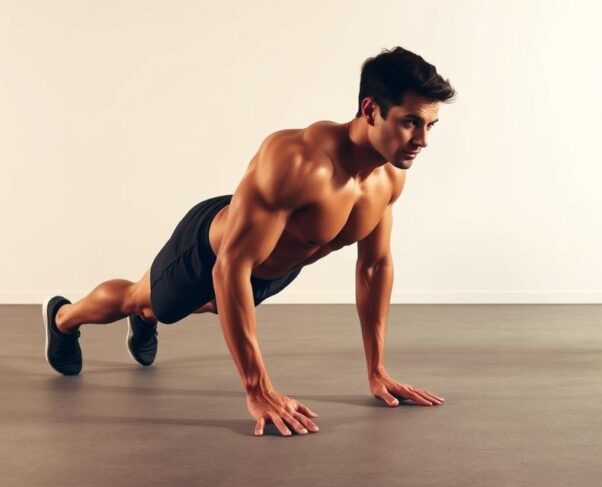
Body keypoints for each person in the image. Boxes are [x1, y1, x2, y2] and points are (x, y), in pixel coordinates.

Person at [43, 47, 454, 436]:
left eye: (430, 125)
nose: (423, 141)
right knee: (140, 297)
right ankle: (64, 318)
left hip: (273, 266)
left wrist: (377, 370)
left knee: (212, 303)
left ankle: (150, 316)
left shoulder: (389, 177)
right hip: (212, 250)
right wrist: (257, 389)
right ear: (370, 110)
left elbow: (375, 266)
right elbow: (229, 267)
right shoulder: (298, 161)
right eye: (410, 122)